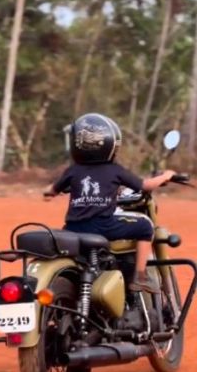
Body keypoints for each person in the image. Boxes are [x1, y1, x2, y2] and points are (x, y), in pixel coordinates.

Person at [44, 113, 174, 294]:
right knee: (145, 226)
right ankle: (141, 276)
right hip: (103, 226)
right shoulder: (115, 170)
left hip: (73, 228)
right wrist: (166, 176)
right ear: (110, 146)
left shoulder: (72, 171)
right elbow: (145, 185)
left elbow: (52, 190)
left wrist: (48, 193)